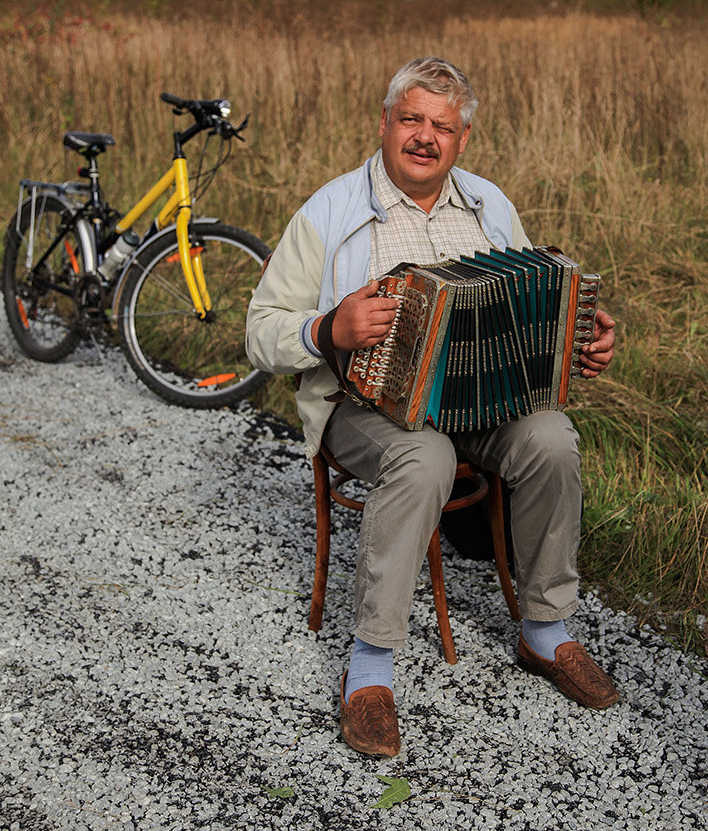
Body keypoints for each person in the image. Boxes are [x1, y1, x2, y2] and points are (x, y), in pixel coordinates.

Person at [246, 56, 618, 757]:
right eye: (411, 119)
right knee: (423, 455)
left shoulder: (489, 205)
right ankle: (370, 666)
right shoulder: (329, 210)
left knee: (552, 439)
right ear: (385, 123)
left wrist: (578, 338)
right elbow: (259, 331)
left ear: (462, 138)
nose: (424, 137)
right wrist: (328, 329)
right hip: (363, 406)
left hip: (482, 402)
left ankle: (545, 630)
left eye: (441, 126)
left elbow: (533, 301)